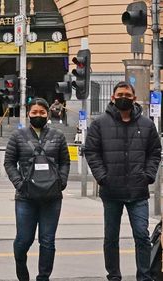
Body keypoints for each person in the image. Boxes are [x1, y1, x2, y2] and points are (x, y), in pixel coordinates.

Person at [84, 81, 161, 281]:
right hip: (111, 191)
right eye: (120, 94)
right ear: (112, 97)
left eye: (128, 95)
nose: (124, 98)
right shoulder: (99, 124)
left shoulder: (147, 125)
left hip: (138, 191)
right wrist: (102, 177)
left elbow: (155, 152)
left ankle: (144, 276)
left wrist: (148, 175)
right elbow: (91, 152)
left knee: (142, 237)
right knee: (111, 238)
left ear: (134, 99)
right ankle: (114, 276)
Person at [4, 97, 70, 281]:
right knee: (23, 239)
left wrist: (61, 181)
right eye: (34, 112)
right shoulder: (18, 136)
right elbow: (9, 162)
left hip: (52, 196)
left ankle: (43, 277)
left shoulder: (58, 135)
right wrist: (19, 183)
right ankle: (22, 271)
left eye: (42, 112)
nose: (38, 115)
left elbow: (65, 161)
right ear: (28, 114)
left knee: (47, 241)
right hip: (26, 196)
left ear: (47, 114)